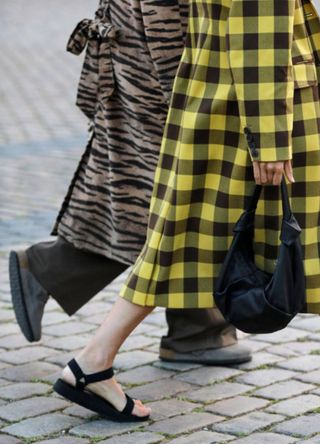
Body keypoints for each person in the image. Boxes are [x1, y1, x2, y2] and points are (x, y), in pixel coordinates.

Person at [51, 0, 320, 421]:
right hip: (249, 107)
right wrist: (268, 138)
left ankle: (93, 360)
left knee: (180, 238)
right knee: (180, 240)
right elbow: (259, 26)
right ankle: (92, 360)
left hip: (216, 89)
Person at [9, 0, 251, 367]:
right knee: (174, 186)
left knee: (157, 185)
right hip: (159, 40)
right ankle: (54, 269)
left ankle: (197, 326)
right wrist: (184, 84)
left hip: (152, 36)